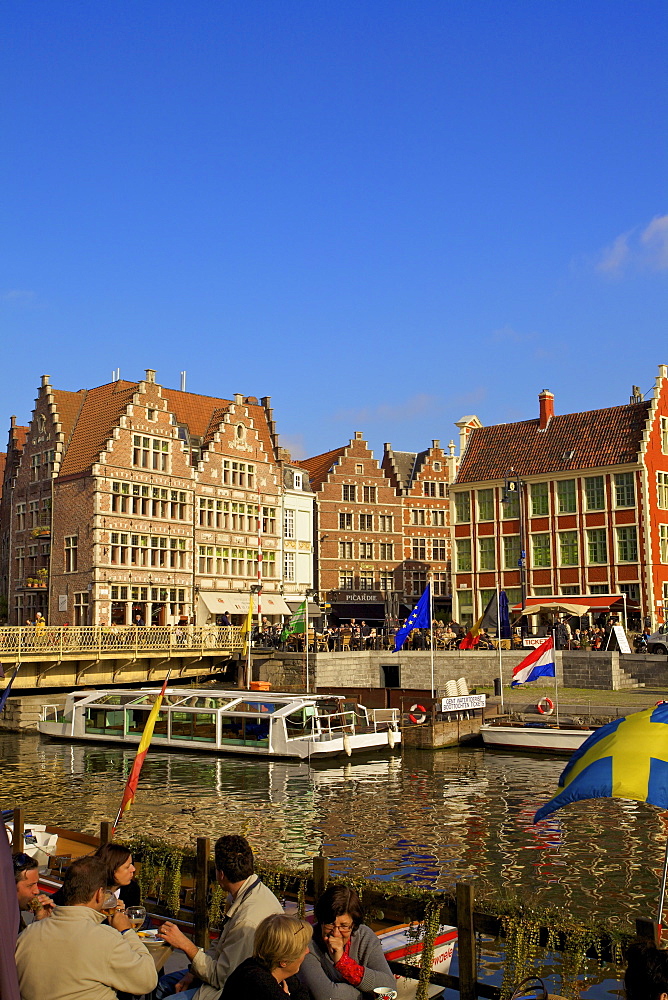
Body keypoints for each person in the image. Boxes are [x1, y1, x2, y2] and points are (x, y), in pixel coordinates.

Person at [156, 834, 283, 1000]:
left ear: (221, 874)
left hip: (235, 991)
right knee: (165, 983)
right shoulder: (249, 892)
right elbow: (220, 945)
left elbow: (221, 978)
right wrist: (193, 971)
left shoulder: (247, 919)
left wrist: (186, 945)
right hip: (227, 975)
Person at [14, 855, 157, 1000]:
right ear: (98, 894)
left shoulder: (26, 936)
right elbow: (147, 981)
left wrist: (41, 922)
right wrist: (127, 931)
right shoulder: (107, 940)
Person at [299, 884, 395, 999]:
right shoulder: (307, 944)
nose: (336, 933)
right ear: (321, 921)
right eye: (330, 924)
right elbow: (328, 996)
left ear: (353, 925)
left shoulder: (365, 936)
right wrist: (368, 993)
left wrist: (343, 963)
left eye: (344, 926)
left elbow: (389, 987)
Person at [221, 913, 312, 1000]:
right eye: (303, 948)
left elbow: (301, 990)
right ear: (284, 961)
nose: (308, 951)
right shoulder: (259, 984)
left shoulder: (272, 970)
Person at [13, 853, 54, 929]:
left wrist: (40, 921)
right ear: (11, 887)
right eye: (30, 885)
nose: (37, 891)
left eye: (36, 883)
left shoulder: (15, 913)